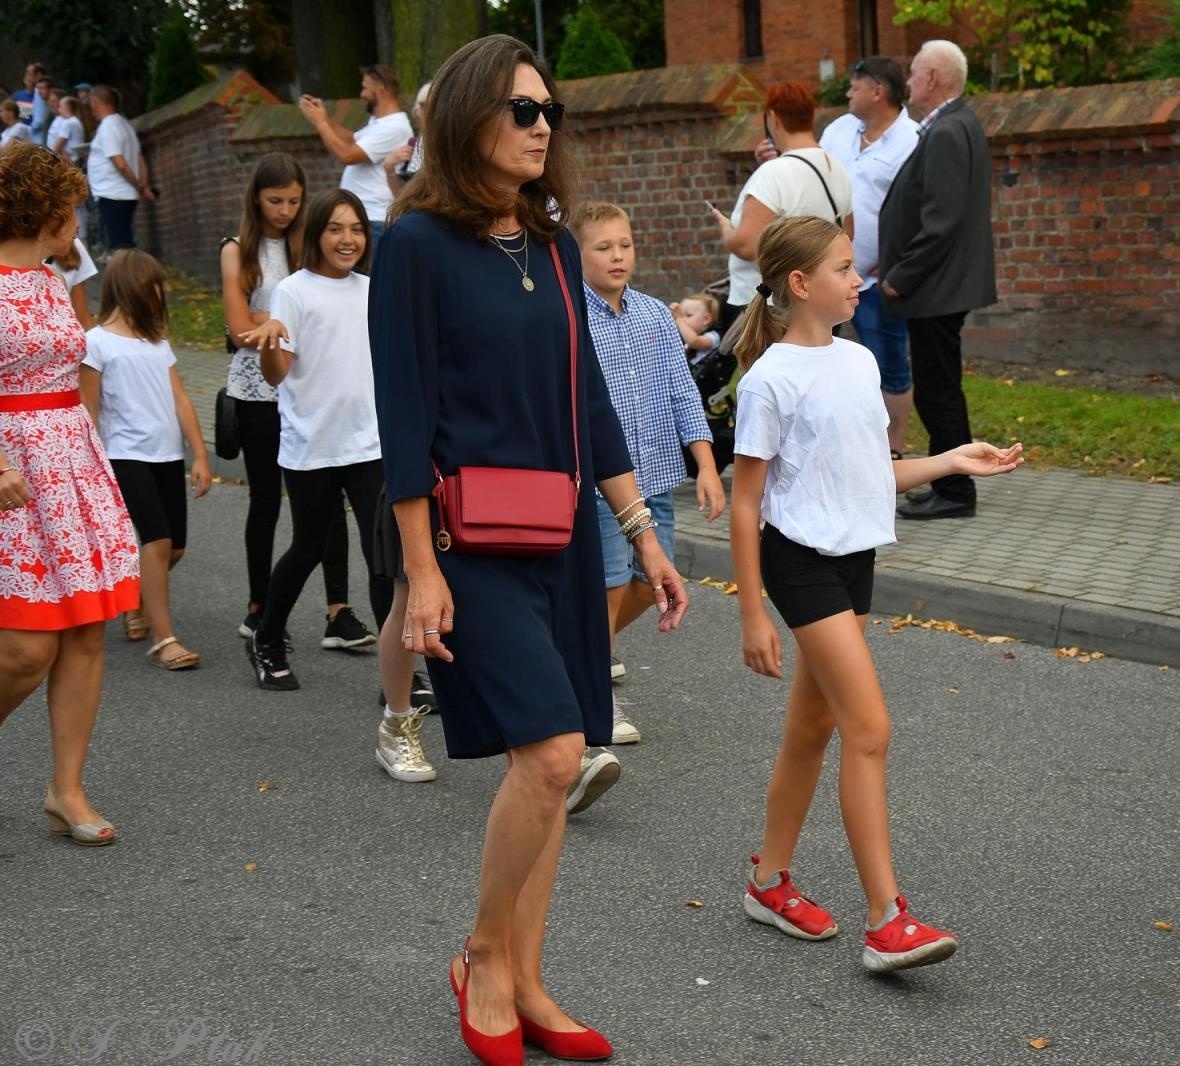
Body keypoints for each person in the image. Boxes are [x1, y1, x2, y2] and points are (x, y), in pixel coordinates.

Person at [368, 35, 688, 1064]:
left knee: (549, 767)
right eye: (522, 109)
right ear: (470, 119)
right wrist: (419, 567)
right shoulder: (415, 245)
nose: (543, 125)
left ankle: (529, 974)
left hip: (555, 534)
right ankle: (481, 955)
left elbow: (586, 400)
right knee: (551, 752)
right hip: (465, 538)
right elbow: (403, 413)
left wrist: (641, 529)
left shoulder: (551, 247)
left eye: (550, 110)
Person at [730, 215, 1023, 971]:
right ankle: (886, 919)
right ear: (800, 285)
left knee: (813, 729)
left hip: (857, 557)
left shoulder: (858, 362)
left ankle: (767, 880)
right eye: (842, 267)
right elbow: (744, 503)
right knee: (870, 729)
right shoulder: (771, 380)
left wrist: (954, 459)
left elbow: (872, 476)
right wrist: (752, 611)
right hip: (799, 563)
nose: (858, 278)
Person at [0, 144, 141, 845]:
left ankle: (67, 789)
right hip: (12, 473)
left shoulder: (52, 279)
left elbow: (73, 368)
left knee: (86, 629)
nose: (78, 219)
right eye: (73, 206)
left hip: (68, 461)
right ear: (47, 209)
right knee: (25, 647)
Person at [574, 199, 723, 736]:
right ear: (578, 253)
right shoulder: (569, 318)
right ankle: (593, 692)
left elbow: (685, 393)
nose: (618, 256)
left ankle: (578, 651)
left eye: (625, 245)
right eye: (603, 247)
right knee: (611, 583)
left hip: (657, 474)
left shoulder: (656, 315)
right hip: (601, 485)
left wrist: (705, 465)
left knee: (647, 581)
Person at [240, 190, 393, 698]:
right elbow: (277, 375)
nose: (347, 239)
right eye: (335, 229)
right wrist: (270, 342)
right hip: (313, 446)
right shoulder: (293, 291)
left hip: (369, 445)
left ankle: (397, 676)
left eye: (355, 229)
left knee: (382, 559)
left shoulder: (373, 289)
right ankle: (267, 638)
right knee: (307, 547)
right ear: (315, 235)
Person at [220, 154, 361, 648]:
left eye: (294, 201)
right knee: (269, 502)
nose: (284, 209)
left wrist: (282, 318)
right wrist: (277, 321)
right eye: (275, 200)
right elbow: (241, 330)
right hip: (261, 388)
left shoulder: (315, 245)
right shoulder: (240, 250)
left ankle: (338, 611)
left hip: (317, 386)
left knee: (332, 506)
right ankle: (260, 608)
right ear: (256, 197)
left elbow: (322, 303)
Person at [879, 40, 998, 520]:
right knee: (939, 385)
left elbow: (942, 220)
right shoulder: (956, 124)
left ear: (932, 78)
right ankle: (952, 483)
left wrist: (900, 276)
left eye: (912, 73)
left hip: (934, 289)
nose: (907, 82)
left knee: (939, 389)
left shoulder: (948, 131)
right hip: (941, 287)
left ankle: (955, 491)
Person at [79, 250, 210, 670]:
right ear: (129, 289)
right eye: (152, 288)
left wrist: (200, 455)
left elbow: (182, 400)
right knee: (156, 542)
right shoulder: (97, 343)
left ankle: (135, 601)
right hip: (125, 455)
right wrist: (91, 468)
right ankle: (165, 638)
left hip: (167, 455)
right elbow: (89, 411)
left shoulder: (157, 342)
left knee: (176, 549)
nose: (159, 296)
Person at [818, 56, 921, 456]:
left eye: (855, 86)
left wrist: (896, 259)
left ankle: (891, 451)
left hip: (880, 280)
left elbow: (920, 207)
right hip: (826, 275)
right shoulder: (839, 130)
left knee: (888, 363)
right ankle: (836, 445)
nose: (848, 92)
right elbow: (814, 177)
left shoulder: (912, 139)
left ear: (878, 92)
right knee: (824, 362)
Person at [713, 81, 852, 332]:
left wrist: (726, 230)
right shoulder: (837, 167)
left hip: (773, 306)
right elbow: (847, 235)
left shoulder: (774, 173)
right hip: (820, 302)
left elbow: (746, 245)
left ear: (773, 118)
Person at [299, 65, 413, 246]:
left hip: (374, 220)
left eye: (365, 88)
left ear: (381, 91)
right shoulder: (379, 123)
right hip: (364, 218)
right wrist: (323, 118)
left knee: (368, 275)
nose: (362, 94)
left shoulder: (394, 127)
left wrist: (320, 123)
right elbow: (351, 140)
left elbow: (347, 155)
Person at [87, 86, 154, 251]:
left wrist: (138, 185)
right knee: (124, 238)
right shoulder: (125, 125)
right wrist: (143, 185)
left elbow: (120, 163)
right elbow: (139, 158)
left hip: (113, 193)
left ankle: (128, 274)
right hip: (121, 193)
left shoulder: (108, 126)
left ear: (95, 103)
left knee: (121, 243)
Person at [383, 80, 430, 199]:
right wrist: (389, 168)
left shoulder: (450, 144)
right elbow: (401, 196)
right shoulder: (414, 144)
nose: (421, 111)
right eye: (422, 106)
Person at [45, 238, 97, 330]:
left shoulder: (72, 243)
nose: (78, 225)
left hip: (65, 337)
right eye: (69, 221)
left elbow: (83, 320)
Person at [50, 95, 87, 166]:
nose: (59, 109)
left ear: (67, 107)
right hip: (76, 159)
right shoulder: (76, 120)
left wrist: (52, 158)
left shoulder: (68, 123)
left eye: (60, 106)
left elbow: (59, 144)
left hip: (70, 160)